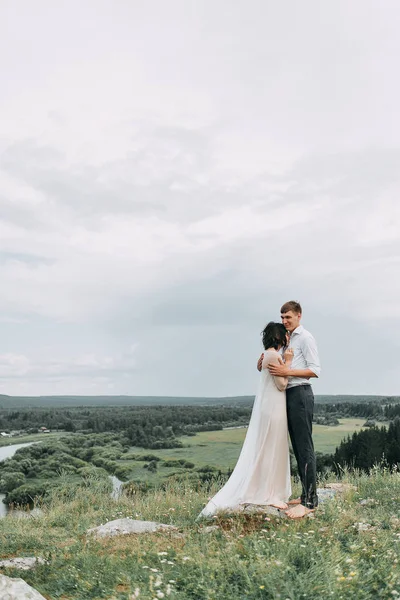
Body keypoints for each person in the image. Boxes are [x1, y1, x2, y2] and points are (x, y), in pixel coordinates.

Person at [199, 322, 294, 518]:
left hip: (270, 406)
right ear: (280, 337)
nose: (288, 337)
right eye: (286, 335)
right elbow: (282, 384)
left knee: (270, 448)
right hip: (274, 408)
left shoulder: (267, 355)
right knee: (271, 449)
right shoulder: (275, 356)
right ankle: (268, 494)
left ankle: (269, 490)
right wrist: (289, 362)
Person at [258, 301, 321, 519]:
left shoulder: (305, 338)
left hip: (301, 393)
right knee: (297, 446)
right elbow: (277, 363)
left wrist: (288, 369)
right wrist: (264, 359)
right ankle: (305, 495)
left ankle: (310, 502)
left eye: (288, 317)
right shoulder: (286, 339)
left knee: (305, 448)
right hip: (287, 395)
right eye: (282, 317)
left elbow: (315, 370)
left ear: (299, 316)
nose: (285, 321)